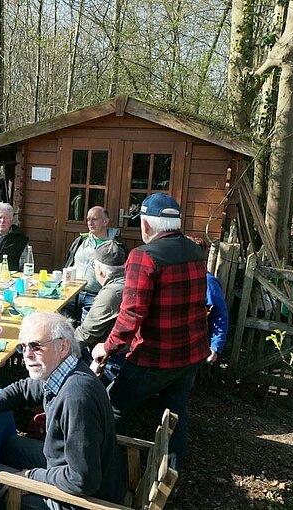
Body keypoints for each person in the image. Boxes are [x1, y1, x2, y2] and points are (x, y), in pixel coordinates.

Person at [91, 193, 209, 471]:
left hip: (156, 356)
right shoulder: (195, 251)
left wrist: (106, 348)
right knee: (175, 414)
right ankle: (169, 475)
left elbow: (132, 314)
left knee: (115, 404)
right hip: (191, 353)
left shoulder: (144, 256)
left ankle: (112, 470)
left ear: (146, 225)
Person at [0, 312, 124, 508]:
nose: (27, 354)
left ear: (63, 346)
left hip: (88, 500)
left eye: (36, 346)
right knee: (9, 445)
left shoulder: (76, 397)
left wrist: (30, 477)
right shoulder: (65, 370)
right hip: (77, 468)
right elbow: (24, 389)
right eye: (23, 347)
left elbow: (82, 480)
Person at [73, 241, 127, 386]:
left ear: (101, 270)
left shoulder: (112, 292)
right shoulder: (128, 281)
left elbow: (87, 333)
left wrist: (61, 348)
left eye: (93, 266)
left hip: (112, 358)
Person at [63, 206, 123, 315]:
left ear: (105, 221)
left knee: (87, 330)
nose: (90, 223)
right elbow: (69, 263)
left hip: (96, 297)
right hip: (72, 293)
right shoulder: (80, 241)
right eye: (88, 219)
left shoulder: (116, 248)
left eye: (94, 219)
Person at [186, 236, 229, 364]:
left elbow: (220, 315)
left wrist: (215, 348)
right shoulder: (176, 276)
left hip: (195, 348)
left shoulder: (208, 282)